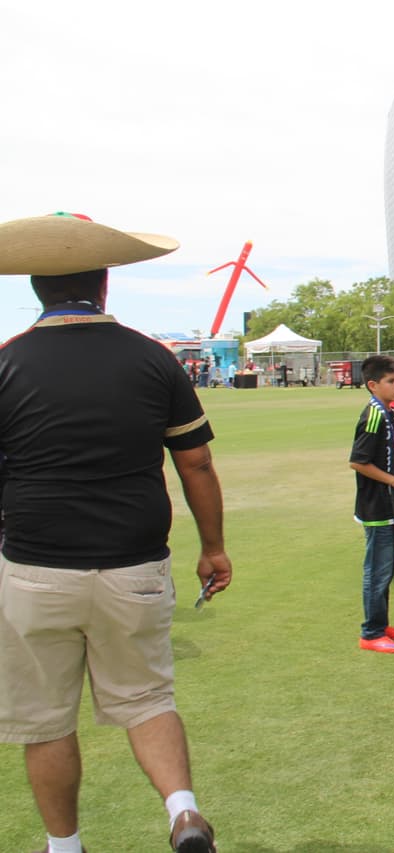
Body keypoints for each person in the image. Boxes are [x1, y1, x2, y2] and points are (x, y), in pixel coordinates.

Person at [0, 212, 231, 853]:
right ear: (105, 284)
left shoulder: (7, 361)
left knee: (45, 721)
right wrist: (212, 547)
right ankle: (183, 811)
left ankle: (64, 846)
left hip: (35, 565)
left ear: (37, 289)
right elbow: (197, 462)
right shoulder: (153, 360)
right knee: (148, 697)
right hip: (133, 563)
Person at [348, 354, 394, 654]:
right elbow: (358, 462)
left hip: (389, 506)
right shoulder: (374, 414)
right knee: (377, 569)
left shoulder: (387, 412)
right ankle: (371, 632)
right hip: (376, 508)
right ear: (373, 385)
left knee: (385, 569)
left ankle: (381, 623)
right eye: (391, 381)